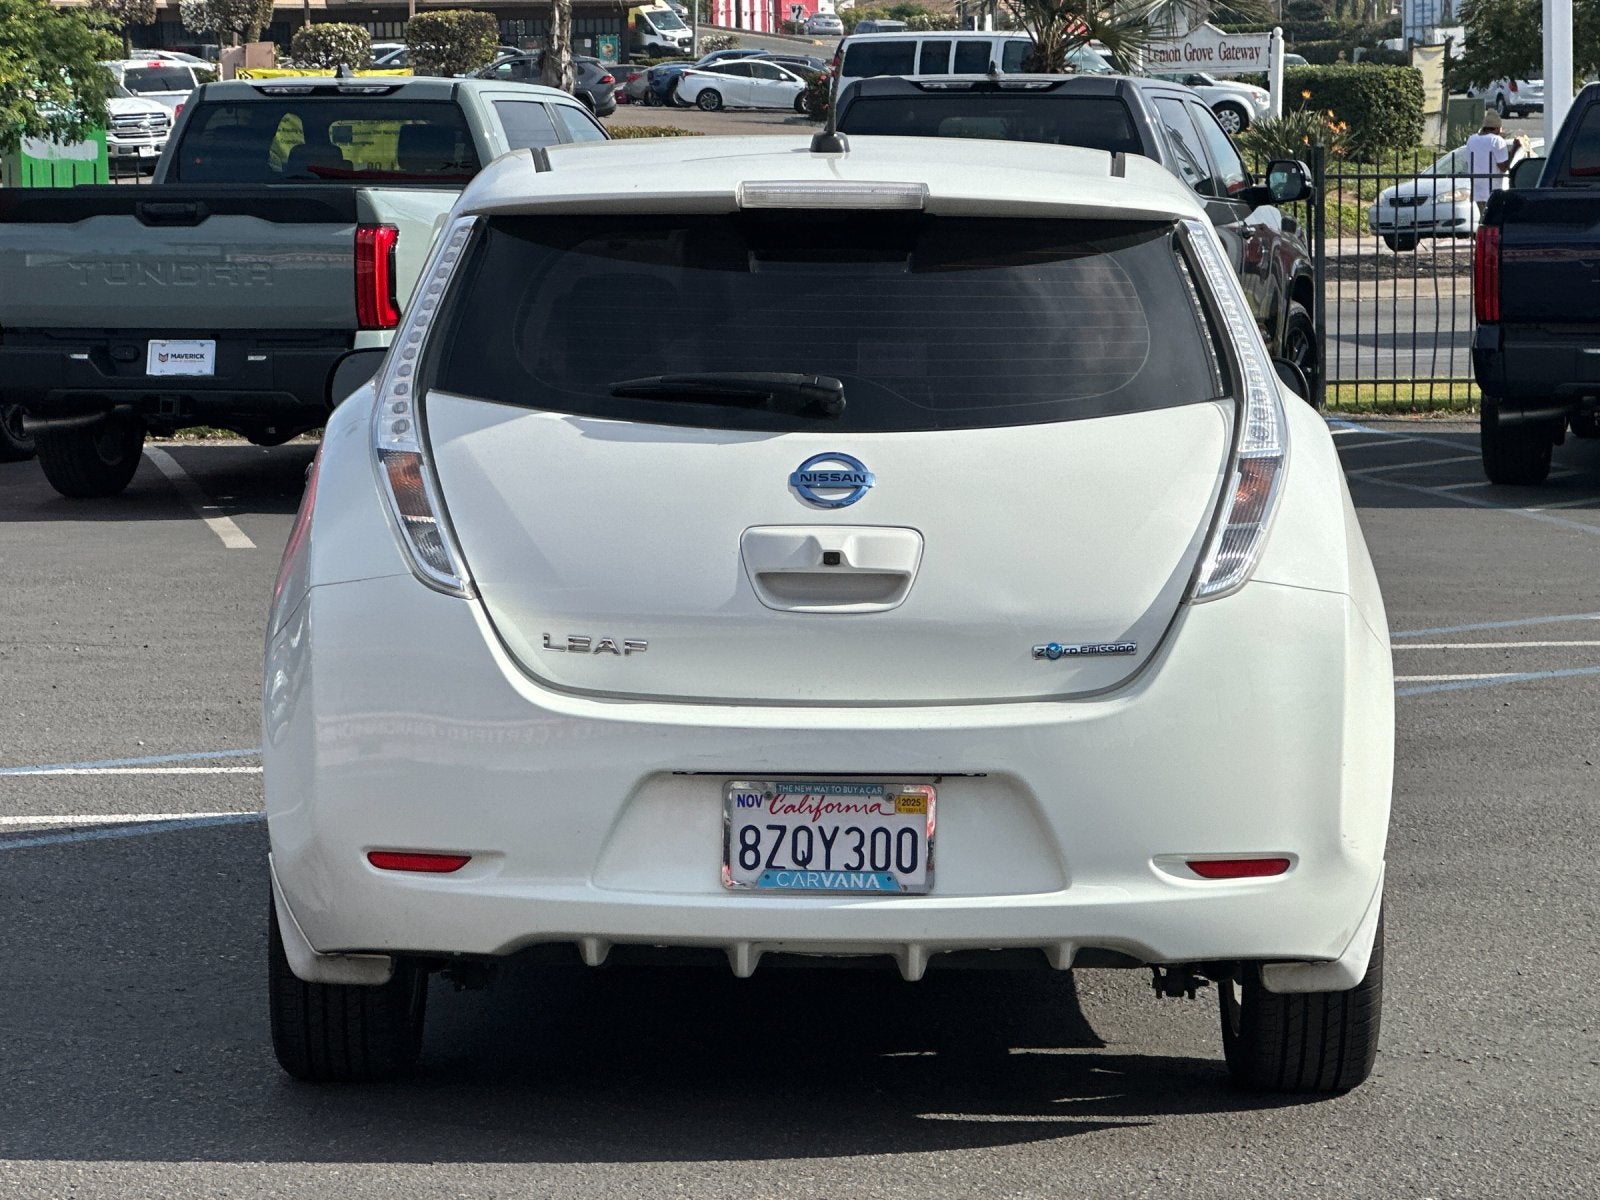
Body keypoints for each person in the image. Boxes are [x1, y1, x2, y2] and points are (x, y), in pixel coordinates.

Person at [1466, 109, 1525, 215]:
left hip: (1477, 189)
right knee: (1495, 219)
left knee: (1484, 218)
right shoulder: (1496, 140)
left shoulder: (1471, 139)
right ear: (1497, 128)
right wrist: (1514, 149)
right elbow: (1503, 167)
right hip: (1493, 189)